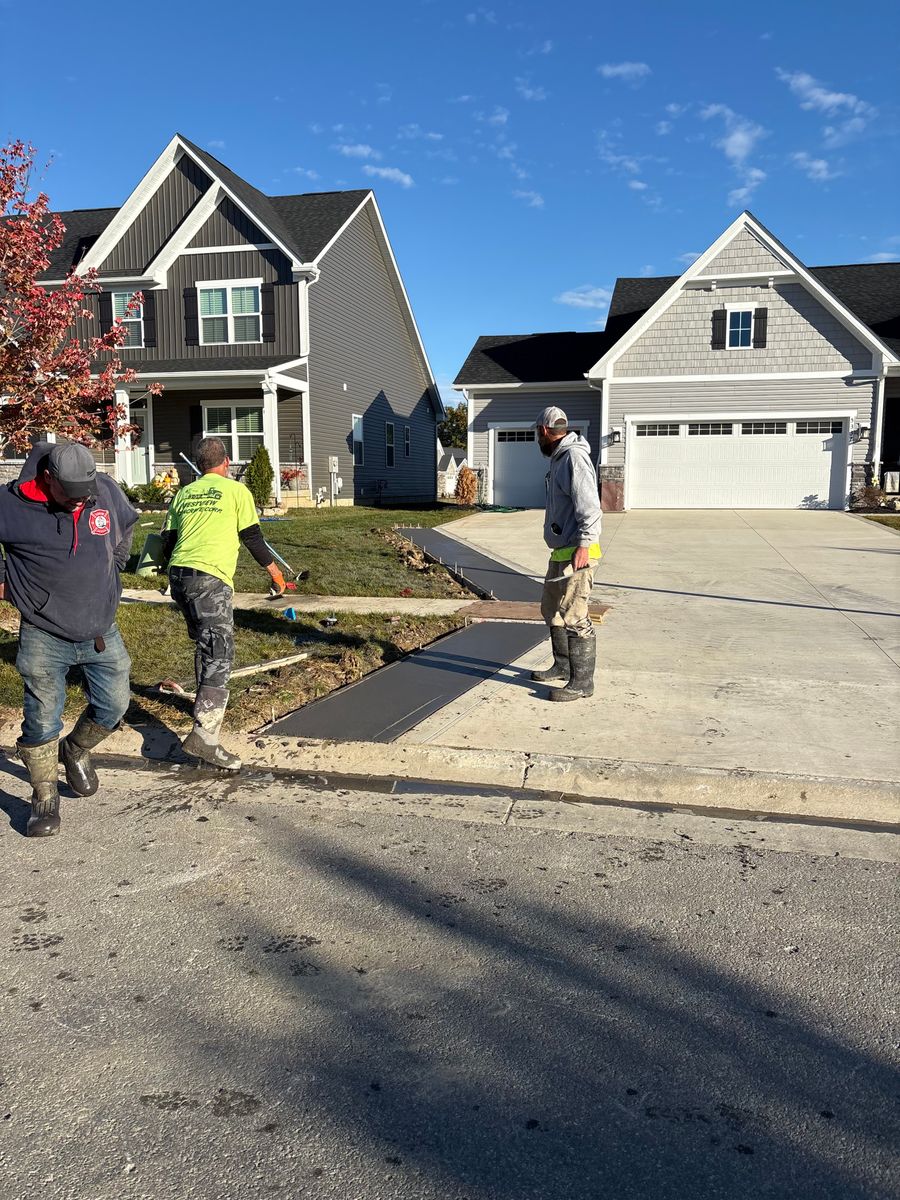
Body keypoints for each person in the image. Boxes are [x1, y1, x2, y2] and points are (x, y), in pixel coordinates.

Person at [0, 441, 139, 836]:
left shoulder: (103, 490)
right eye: (71, 494)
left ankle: (75, 750)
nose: (81, 501)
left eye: (87, 493)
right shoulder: (11, 503)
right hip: (43, 629)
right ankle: (43, 795)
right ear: (48, 479)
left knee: (114, 703)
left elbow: (126, 522)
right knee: (42, 715)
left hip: (99, 626)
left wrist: (116, 563)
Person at [160, 436, 288, 771]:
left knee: (206, 645)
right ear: (226, 462)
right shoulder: (236, 491)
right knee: (219, 653)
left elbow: (169, 540)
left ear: (200, 465)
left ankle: (204, 712)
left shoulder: (184, 493)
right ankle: (205, 738)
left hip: (179, 577)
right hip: (209, 578)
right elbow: (252, 538)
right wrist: (276, 575)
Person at [530, 406, 602, 702]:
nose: (538, 440)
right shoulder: (560, 458)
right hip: (562, 550)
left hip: (578, 552)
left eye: (537, 434)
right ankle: (561, 665)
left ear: (545, 431)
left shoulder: (573, 458)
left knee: (575, 615)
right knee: (552, 609)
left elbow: (590, 505)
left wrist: (585, 544)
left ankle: (582, 682)